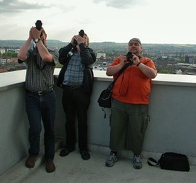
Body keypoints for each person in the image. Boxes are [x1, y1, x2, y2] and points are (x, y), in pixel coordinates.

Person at [105, 38, 157, 169]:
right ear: (128, 47)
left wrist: (138, 63)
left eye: (136, 44)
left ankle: (136, 155)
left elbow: (152, 74)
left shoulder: (146, 61)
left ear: (141, 49)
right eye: (131, 44)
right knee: (116, 129)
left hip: (139, 104)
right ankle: (113, 153)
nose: (133, 46)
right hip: (118, 102)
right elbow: (108, 72)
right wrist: (121, 64)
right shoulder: (120, 59)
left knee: (137, 131)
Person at [18, 20, 59, 173]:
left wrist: (38, 40)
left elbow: (47, 58)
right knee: (35, 128)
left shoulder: (53, 51)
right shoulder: (31, 53)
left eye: (41, 35)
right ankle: (33, 153)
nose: (38, 37)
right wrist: (30, 38)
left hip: (48, 96)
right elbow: (21, 56)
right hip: (32, 97)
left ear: (45, 36)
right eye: (38, 35)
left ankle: (49, 158)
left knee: (49, 129)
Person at [57, 30, 96, 160]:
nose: (79, 40)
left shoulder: (90, 53)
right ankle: (69, 146)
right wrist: (71, 44)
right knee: (69, 120)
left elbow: (87, 61)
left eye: (83, 38)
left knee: (82, 121)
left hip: (82, 92)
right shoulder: (70, 53)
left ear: (86, 42)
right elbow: (60, 57)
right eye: (78, 38)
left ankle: (83, 148)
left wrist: (82, 45)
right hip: (68, 91)